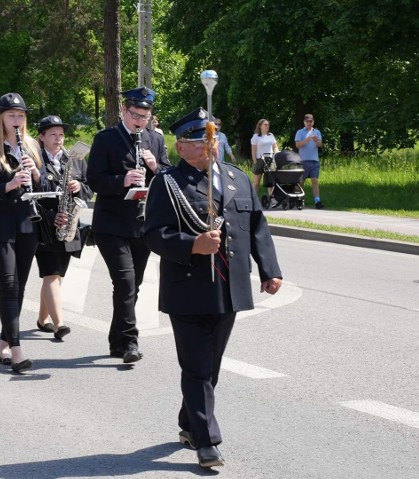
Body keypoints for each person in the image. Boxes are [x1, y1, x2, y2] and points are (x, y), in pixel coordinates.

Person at [144, 108, 282, 469]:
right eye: (201, 140)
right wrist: (192, 244)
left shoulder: (236, 178)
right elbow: (154, 234)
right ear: (181, 146)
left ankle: (190, 422)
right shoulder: (168, 183)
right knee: (197, 368)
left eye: (213, 138)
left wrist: (270, 270)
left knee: (211, 367)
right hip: (188, 289)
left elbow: (256, 227)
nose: (210, 145)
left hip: (230, 289)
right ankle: (208, 442)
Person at [86, 87, 171, 363]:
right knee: (124, 282)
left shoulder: (155, 140)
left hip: (141, 224)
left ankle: (116, 339)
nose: (140, 121)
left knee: (133, 285)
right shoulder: (106, 139)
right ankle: (131, 342)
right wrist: (121, 180)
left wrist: (155, 166)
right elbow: (94, 180)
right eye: (135, 115)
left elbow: (170, 178)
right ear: (124, 110)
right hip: (111, 224)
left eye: (145, 117)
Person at [0, 92, 48, 372]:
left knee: (19, 287)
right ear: (1, 118)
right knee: (8, 286)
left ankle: (4, 342)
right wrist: (9, 184)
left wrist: (37, 175)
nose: (16, 121)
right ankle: (16, 349)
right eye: (11, 116)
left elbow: (42, 191)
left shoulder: (30, 146)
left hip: (28, 224)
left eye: (21, 116)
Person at [33, 115, 92, 340]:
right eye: (53, 134)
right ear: (41, 137)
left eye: (61, 134)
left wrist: (79, 187)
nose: (58, 139)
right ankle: (59, 324)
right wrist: (49, 215)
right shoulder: (35, 160)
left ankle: (42, 319)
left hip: (69, 223)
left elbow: (89, 187)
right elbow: (30, 196)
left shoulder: (74, 159)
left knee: (57, 276)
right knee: (51, 273)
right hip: (45, 225)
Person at [295, 113, 324, 209]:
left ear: (313, 122)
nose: (309, 123)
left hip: (314, 161)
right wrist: (306, 141)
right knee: (301, 182)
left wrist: (316, 140)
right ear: (304, 122)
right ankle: (299, 200)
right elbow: (297, 145)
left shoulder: (317, 132)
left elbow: (320, 145)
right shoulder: (300, 132)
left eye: (311, 121)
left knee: (315, 181)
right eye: (307, 121)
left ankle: (317, 201)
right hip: (303, 161)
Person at [250, 118, 278, 190]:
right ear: (260, 126)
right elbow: (253, 150)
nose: (267, 126)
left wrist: (277, 155)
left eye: (268, 125)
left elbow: (275, 146)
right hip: (260, 159)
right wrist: (255, 161)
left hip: (270, 159)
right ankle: (253, 199)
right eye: (265, 124)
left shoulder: (271, 135)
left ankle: (270, 200)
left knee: (270, 183)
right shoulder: (256, 137)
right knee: (256, 182)